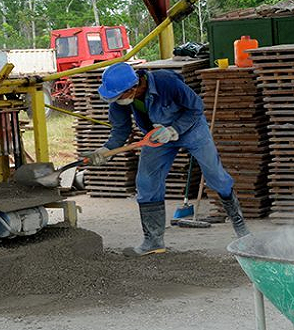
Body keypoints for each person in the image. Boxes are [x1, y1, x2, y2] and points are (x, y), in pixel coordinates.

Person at [85, 62, 250, 257]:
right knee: (146, 183)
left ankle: (242, 231)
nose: (115, 100)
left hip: (191, 129)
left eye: (118, 96)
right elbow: (120, 131)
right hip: (155, 137)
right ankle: (153, 241)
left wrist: (174, 130)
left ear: (133, 88)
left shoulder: (166, 82)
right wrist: (106, 151)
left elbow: (196, 107)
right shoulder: (120, 101)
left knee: (216, 176)